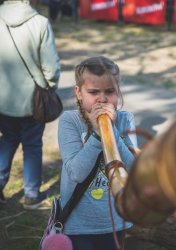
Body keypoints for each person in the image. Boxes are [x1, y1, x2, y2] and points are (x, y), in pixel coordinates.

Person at [58, 56, 137, 250]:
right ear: (78, 92)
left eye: (109, 91)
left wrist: (113, 132)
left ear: (117, 91)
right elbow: (76, 173)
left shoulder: (125, 119)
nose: (102, 99)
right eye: (93, 92)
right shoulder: (69, 121)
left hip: (115, 222)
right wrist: (96, 134)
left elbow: (133, 170)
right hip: (77, 224)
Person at [0, 0, 60, 208]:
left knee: (8, 139)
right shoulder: (40, 23)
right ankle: (31, 194)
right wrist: (50, 86)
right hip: (33, 100)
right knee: (32, 144)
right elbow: (51, 69)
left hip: (2, 99)